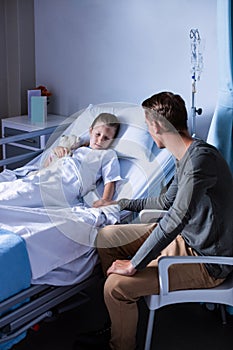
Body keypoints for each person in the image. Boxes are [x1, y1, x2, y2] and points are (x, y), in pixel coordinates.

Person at [95, 91, 233, 350]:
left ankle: (121, 339)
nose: (149, 132)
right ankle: (120, 320)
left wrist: (134, 264)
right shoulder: (185, 155)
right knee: (106, 237)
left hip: (206, 260)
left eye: (148, 126)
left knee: (115, 286)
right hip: (185, 240)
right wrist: (121, 203)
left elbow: (175, 219)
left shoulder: (199, 161)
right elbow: (165, 203)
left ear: (157, 126)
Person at [0, 113, 122, 208]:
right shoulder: (78, 147)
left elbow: (110, 180)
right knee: (23, 184)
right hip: (54, 171)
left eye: (106, 138)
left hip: (70, 181)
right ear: (90, 131)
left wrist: (105, 200)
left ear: (112, 140)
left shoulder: (108, 154)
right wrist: (57, 151)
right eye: (98, 134)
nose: (100, 140)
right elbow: (47, 167)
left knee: (27, 191)